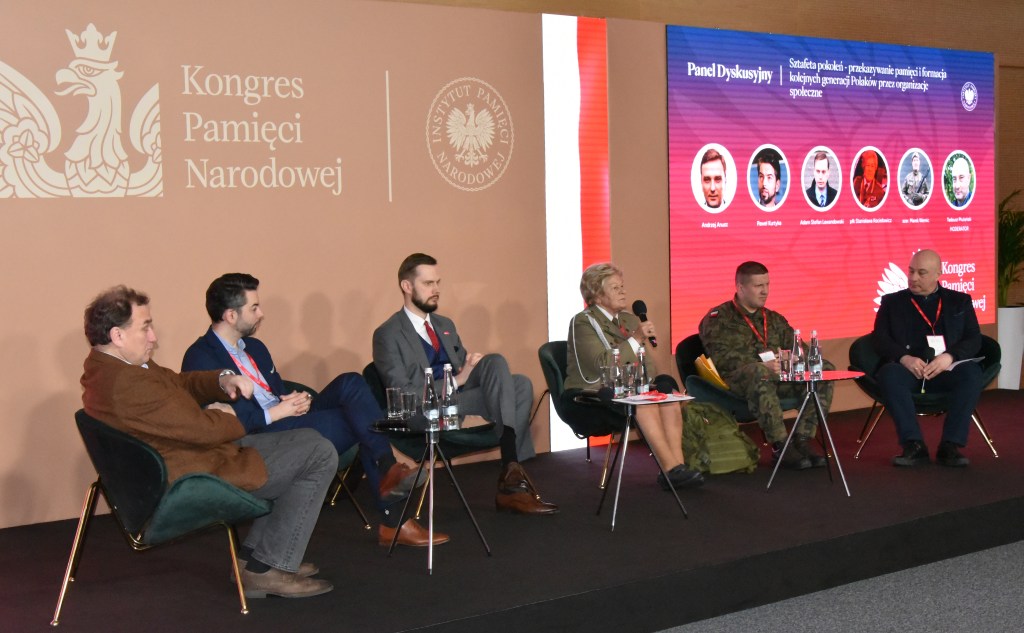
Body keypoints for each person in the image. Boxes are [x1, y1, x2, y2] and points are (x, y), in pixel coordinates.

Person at [80, 286, 336, 599]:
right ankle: (266, 568)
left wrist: (221, 380)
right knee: (319, 453)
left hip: (199, 455)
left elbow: (177, 382)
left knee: (308, 439)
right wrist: (229, 414)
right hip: (198, 474)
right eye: (145, 327)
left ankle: (256, 560)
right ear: (117, 335)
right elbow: (203, 430)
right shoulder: (127, 384)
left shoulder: (110, 368)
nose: (153, 337)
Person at [181, 273, 446, 547]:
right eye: (254, 308)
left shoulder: (255, 348)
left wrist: (295, 399)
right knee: (356, 419)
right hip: (260, 435)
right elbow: (217, 423)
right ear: (230, 316)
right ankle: (392, 508)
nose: (261, 314)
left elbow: (273, 391)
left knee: (351, 382)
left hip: (285, 418)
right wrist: (277, 412)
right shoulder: (201, 358)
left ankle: (389, 476)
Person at [372, 253, 558, 515]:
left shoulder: (444, 325)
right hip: (424, 410)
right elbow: (404, 394)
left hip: (458, 400)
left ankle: (511, 471)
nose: (436, 289)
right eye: (428, 283)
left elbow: (463, 368)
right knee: (512, 389)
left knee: (514, 379)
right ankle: (513, 479)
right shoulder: (388, 334)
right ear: (407, 286)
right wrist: (458, 379)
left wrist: (470, 366)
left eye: (438, 282)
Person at [563, 263, 704, 490]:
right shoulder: (583, 322)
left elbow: (647, 366)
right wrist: (636, 338)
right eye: (615, 288)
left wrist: (649, 383)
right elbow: (601, 364)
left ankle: (679, 467)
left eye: (622, 286)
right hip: (590, 395)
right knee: (643, 404)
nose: (623, 292)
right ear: (597, 295)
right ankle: (671, 470)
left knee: (667, 395)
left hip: (627, 389)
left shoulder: (629, 320)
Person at [698, 262, 832, 470]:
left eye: (767, 284)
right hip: (737, 381)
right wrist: (764, 364)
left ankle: (802, 439)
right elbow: (723, 359)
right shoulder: (718, 318)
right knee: (759, 371)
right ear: (741, 288)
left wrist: (795, 358)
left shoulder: (773, 318)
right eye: (758, 286)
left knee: (824, 368)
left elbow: (800, 350)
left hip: (776, 377)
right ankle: (781, 445)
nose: (765, 291)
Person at [872, 249, 982, 467]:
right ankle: (913, 445)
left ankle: (950, 445)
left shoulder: (959, 301)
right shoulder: (892, 302)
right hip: (909, 370)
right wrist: (904, 358)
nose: (913, 278)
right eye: (911, 271)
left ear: (938, 274)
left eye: (921, 273)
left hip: (945, 369)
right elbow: (879, 339)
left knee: (971, 374)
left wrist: (950, 356)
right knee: (888, 375)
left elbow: (974, 338)